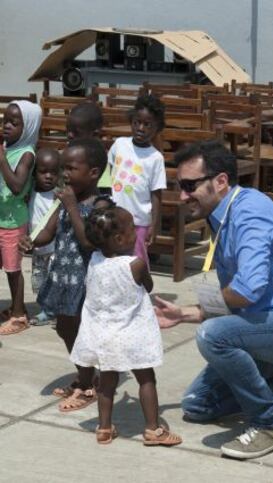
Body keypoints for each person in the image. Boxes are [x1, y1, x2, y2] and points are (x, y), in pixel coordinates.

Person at [154, 140, 273, 460]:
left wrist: (196, 312)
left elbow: (246, 290)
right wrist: (185, 314)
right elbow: (240, 298)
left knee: (213, 336)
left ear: (221, 181)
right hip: (270, 326)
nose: (183, 195)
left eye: (189, 186)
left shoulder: (250, 213)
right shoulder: (221, 214)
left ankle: (271, 423)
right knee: (197, 405)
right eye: (179, 186)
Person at [70, 204, 182, 447]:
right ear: (119, 238)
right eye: (132, 228)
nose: (136, 232)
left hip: (103, 334)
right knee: (146, 378)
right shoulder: (136, 265)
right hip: (132, 334)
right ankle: (153, 429)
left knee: (107, 382)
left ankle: (104, 428)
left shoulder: (95, 260)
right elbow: (149, 287)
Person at [19, 137, 107, 411]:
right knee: (65, 327)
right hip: (64, 276)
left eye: (70, 168)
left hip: (86, 280)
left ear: (93, 173)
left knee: (81, 330)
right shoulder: (66, 199)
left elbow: (88, 242)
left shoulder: (100, 205)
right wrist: (33, 241)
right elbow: (50, 229)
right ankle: (84, 376)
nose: (64, 174)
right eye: (63, 168)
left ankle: (89, 383)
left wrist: (71, 206)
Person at [107, 94, 166, 267]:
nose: (141, 128)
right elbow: (108, 175)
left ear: (157, 128)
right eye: (137, 122)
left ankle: (139, 292)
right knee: (113, 259)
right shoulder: (119, 144)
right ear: (131, 121)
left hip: (138, 222)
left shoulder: (155, 158)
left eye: (147, 125)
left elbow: (156, 194)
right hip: (114, 216)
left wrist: (154, 226)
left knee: (136, 261)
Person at [0, 100, 42, 335]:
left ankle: (19, 316)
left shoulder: (26, 154)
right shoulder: (7, 146)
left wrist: (2, 159)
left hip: (14, 221)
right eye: (5, 121)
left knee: (13, 269)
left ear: (28, 128)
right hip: (0, 216)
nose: (7, 126)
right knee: (5, 266)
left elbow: (16, 186)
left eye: (14, 123)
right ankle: (16, 307)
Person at [28, 148, 61, 326]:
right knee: (39, 280)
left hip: (53, 248)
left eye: (53, 173)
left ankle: (51, 311)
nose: (48, 176)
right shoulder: (30, 192)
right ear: (34, 173)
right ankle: (45, 309)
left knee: (54, 280)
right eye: (43, 172)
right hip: (36, 248)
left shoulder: (58, 195)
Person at [66, 101, 111, 194]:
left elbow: (103, 194)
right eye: (68, 129)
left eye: (76, 132)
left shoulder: (98, 160)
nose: (69, 135)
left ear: (95, 134)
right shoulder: (68, 151)